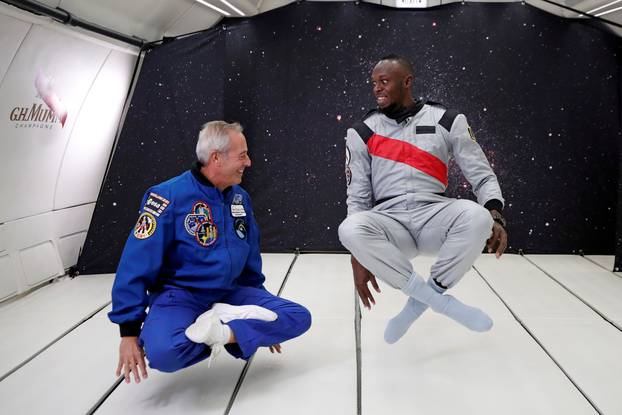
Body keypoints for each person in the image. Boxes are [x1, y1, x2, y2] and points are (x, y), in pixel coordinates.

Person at [109, 120, 311, 383]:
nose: (248, 162)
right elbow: (134, 264)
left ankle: (224, 332)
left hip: (230, 293)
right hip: (181, 296)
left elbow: (250, 260)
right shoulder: (167, 197)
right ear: (216, 158)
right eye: (242, 155)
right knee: (162, 353)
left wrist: (259, 326)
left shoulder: (240, 199)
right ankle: (219, 326)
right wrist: (128, 333)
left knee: (298, 317)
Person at [338, 55, 508, 344]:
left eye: (384, 81)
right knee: (349, 229)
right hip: (391, 225)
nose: (377, 88)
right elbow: (357, 198)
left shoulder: (447, 119)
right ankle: (442, 304)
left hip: (434, 217)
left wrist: (495, 214)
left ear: (407, 82)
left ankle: (416, 305)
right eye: (374, 83)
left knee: (478, 216)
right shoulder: (361, 131)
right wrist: (360, 253)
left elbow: (481, 173)